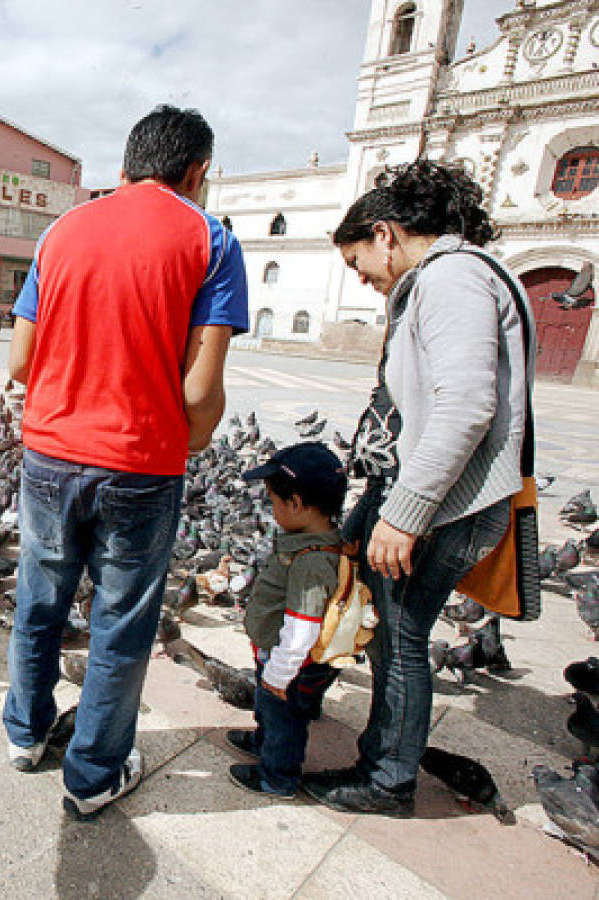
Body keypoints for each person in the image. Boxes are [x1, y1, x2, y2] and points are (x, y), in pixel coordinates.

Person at [3, 105, 249, 820]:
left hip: (48, 453)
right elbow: (200, 388)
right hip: (140, 464)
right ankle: (91, 777)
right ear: (196, 171)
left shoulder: (60, 231)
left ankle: (23, 734)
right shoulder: (210, 239)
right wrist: (192, 434)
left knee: (38, 602)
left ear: (124, 166)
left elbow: (20, 361)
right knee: (119, 622)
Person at [301, 159, 534, 816]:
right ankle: (291, 706)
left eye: (357, 264)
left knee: (396, 634)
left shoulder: (451, 279)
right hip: (419, 490)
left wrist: (403, 514)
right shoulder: (456, 275)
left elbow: (464, 405)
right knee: (337, 585)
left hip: (440, 505)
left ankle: (387, 778)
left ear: (384, 234)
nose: (365, 281)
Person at [226, 442, 348, 798]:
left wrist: (281, 672)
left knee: (285, 719)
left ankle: (277, 775)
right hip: (276, 654)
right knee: (271, 710)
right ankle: (264, 741)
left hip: (289, 663)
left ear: (295, 504)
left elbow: (303, 625)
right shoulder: (310, 541)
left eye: (273, 501)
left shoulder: (311, 561)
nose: (271, 509)